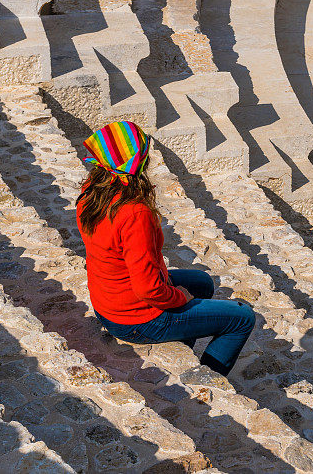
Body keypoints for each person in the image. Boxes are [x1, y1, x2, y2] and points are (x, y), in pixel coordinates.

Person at [76, 120, 255, 376]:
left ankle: (181, 348)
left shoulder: (90, 192)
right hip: (136, 319)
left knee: (202, 282)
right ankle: (206, 380)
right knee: (242, 318)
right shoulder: (134, 212)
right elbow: (148, 289)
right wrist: (180, 297)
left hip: (108, 303)